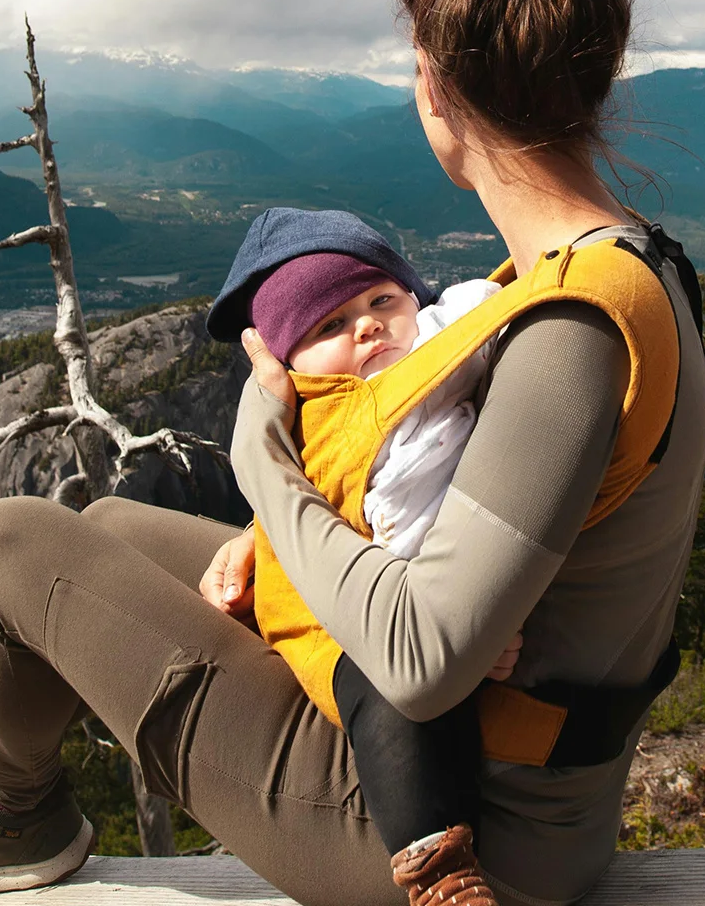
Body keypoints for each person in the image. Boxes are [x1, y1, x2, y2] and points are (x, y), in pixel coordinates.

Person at [0, 0, 705, 906]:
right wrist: (281, 524)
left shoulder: (570, 331)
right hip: (492, 768)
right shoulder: (611, 269)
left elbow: (422, 658)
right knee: (108, 526)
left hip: (452, 827)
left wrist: (265, 464)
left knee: (0, 541)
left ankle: (11, 807)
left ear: (436, 88)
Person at [201, 206, 509, 902]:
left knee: (431, 689)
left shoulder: (447, 345)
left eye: (382, 301)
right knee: (389, 696)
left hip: (457, 590)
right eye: (329, 325)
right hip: (342, 618)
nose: (367, 326)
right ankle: (439, 875)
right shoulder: (318, 419)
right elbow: (315, 506)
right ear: (290, 365)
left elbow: (492, 307)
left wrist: (486, 618)